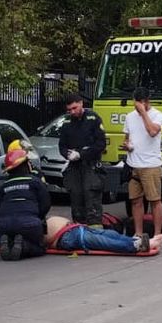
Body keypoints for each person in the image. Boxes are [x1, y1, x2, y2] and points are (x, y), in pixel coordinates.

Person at [0, 144, 52, 261]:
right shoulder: (35, 182)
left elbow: (1, 205)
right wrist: (37, 218)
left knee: (12, 233)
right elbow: (46, 204)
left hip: (3, 225)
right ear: (25, 164)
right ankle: (23, 246)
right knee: (40, 248)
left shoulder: (4, 186)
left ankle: (8, 242)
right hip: (29, 223)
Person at [122, 87, 162, 247]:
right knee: (135, 201)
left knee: (154, 200)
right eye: (136, 103)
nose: (137, 107)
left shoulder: (157, 115)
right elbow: (127, 138)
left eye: (140, 103)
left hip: (151, 164)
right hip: (134, 164)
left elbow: (152, 132)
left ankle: (158, 234)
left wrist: (144, 114)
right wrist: (127, 145)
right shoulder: (129, 117)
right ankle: (138, 233)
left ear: (147, 101)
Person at [58, 93, 108, 226]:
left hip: (90, 165)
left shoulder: (93, 119)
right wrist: (67, 154)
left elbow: (101, 144)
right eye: (69, 110)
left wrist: (82, 154)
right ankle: (79, 230)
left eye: (74, 108)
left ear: (81, 103)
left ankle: (95, 232)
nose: (72, 112)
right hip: (74, 167)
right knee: (76, 200)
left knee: (92, 201)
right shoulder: (67, 123)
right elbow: (62, 146)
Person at [45, 215, 162, 254]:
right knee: (103, 241)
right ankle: (136, 246)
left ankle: (139, 242)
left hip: (75, 228)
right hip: (66, 237)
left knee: (111, 234)